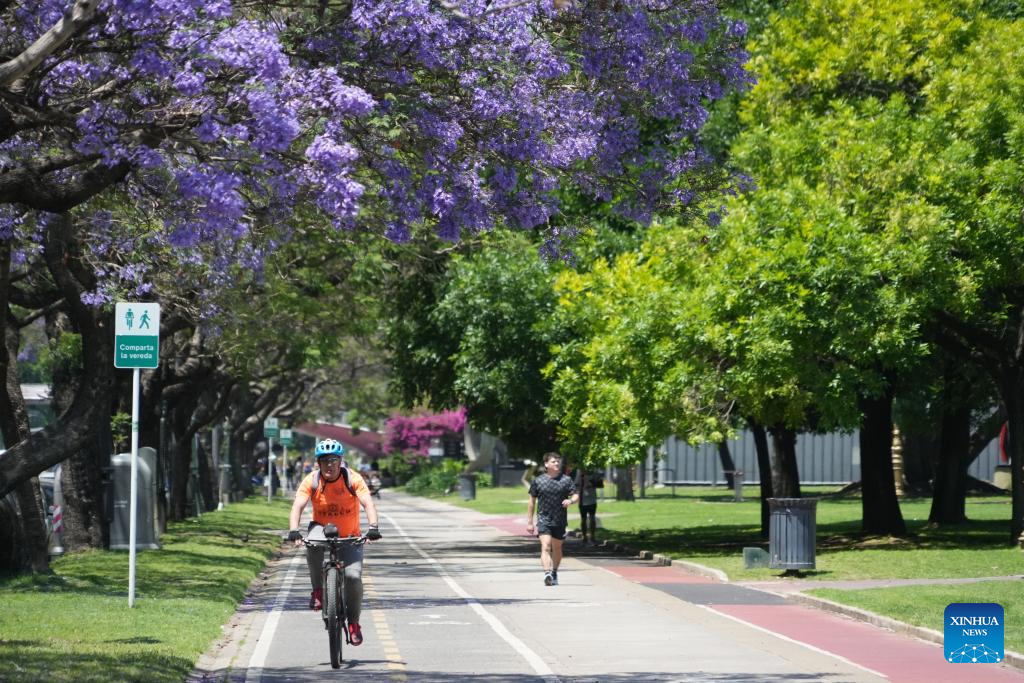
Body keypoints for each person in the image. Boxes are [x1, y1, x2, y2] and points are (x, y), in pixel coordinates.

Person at [287, 439, 382, 646]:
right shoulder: (311, 481)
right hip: (322, 530)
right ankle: (318, 591)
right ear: (318, 463)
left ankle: (354, 623)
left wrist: (373, 527)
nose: (329, 464)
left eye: (333, 460)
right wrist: (294, 530)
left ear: (340, 461)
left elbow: (368, 502)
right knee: (310, 543)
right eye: (324, 460)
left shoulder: (353, 479)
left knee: (353, 577)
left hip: (350, 535)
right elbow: (298, 506)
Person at [526, 452, 578, 586]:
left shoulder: (566, 480)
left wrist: (570, 501)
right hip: (544, 519)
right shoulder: (538, 481)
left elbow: (575, 495)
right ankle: (547, 573)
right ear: (546, 464)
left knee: (557, 548)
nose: (557, 463)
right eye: (554, 461)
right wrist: (530, 522)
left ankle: (554, 571)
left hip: (559, 520)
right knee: (546, 546)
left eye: (558, 461)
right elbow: (531, 502)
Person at [573, 466, 600, 545]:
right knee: (583, 519)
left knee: (592, 518)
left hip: (592, 499)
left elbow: (599, 483)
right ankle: (584, 537)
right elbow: (576, 484)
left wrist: (591, 483)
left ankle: (592, 536)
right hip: (582, 500)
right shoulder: (579, 472)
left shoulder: (593, 471)